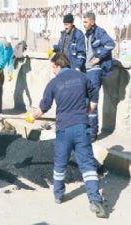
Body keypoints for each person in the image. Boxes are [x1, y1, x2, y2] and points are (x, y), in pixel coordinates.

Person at [25, 53, 106, 218]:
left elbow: (43, 107)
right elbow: (94, 94)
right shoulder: (82, 77)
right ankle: (95, 200)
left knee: (60, 163)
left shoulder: (54, 83)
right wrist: (88, 110)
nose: (52, 71)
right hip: (82, 127)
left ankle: (58, 194)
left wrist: (32, 116)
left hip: (64, 129)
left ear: (57, 65)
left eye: (52, 68)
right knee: (87, 164)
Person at [83, 12, 115, 141]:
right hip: (89, 71)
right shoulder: (88, 34)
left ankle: (92, 133)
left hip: (96, 71)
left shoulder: (99, 32)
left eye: (85, 22)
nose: (84, 24)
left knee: (92, 101)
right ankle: (88, 129)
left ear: (92, 21)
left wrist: (98, 58)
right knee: (87, 101)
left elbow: (111, 44)